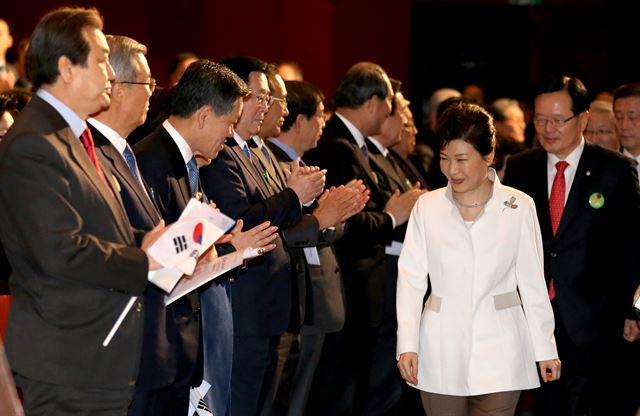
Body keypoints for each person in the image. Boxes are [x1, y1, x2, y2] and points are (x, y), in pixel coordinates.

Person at [0, 7, 167, 414]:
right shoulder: (34, 143)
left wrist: (148, 242)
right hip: (67, 361)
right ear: (66, 68)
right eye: (102, 60)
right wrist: (143, 261)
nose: (111, 74)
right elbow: (59, 251)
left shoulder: (71, 136)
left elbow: (93, 228)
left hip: (92, 359)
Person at [397, 102, 560, 416]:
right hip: (440, 347)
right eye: (445, 159)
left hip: (503, 347)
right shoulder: (427, 207)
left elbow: (532, 284)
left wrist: (545, 349)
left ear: (488, 156)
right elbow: (411, 281)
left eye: (461, 159)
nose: (452, 170)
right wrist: (407, 345)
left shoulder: (518, 206)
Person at [135, 59, 270, 415]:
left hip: (186, 339)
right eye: (229, 124)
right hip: (163, 342)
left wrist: (222, 249)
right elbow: (155, 261)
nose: (229, 136)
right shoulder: (153, 161)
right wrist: (208, 252)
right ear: (205, 116)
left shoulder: (186, 162)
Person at [503, 76, 640, 415]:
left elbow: (632, 247)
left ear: (583, 119)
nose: (547, 128)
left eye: (557, 120)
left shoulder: (615, 170)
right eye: (540, 119)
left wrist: (631, 310)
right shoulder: (522, 168)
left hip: (597, 321)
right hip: (537, 319)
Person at [200, 55, 326, 415]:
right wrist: (293, 198)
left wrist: (300, 199)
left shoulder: (255, 152)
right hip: (246, 308)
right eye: (260, 97)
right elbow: (241, 221)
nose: (267, 107)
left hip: (270, 307)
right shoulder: (221, 154)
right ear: (235, 98)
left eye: (270, 99)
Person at [304, 62, 423, 416]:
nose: (391, 112)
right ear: (373, 102)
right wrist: (390, 216)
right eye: (390, 103)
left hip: (364, 286)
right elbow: (347, 222)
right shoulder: (339, 146)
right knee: (344, 392)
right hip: (350, 284)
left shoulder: (355, 146)